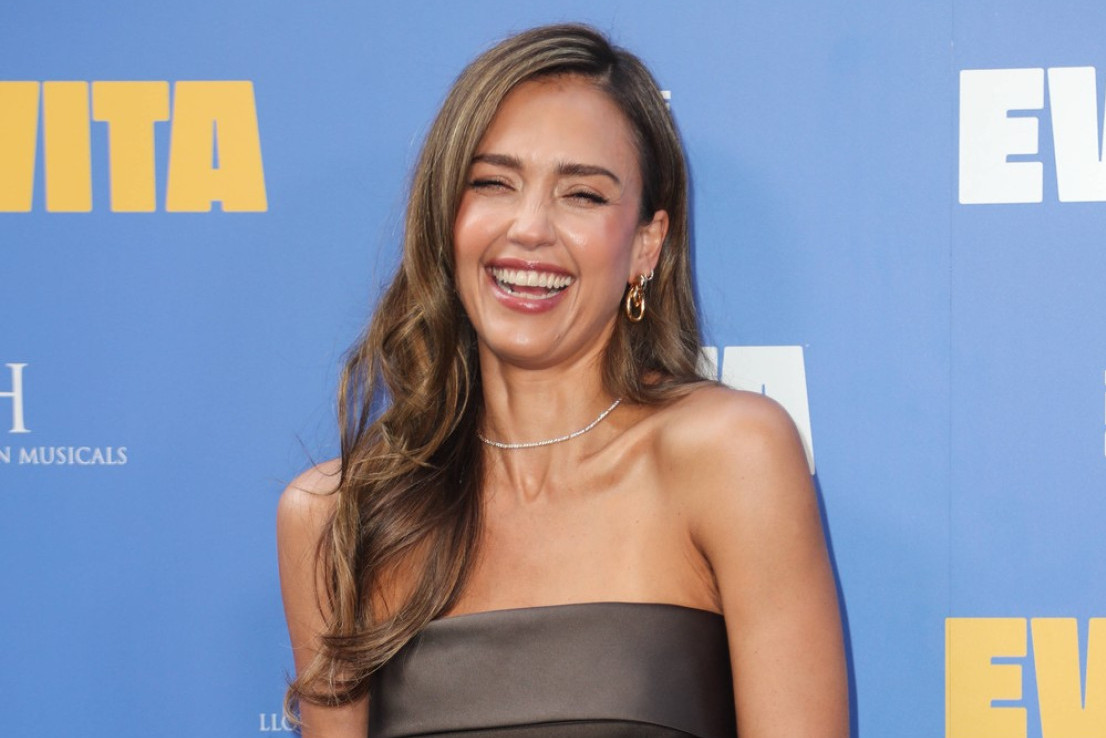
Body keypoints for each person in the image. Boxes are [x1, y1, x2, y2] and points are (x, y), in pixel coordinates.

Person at [278, 23, 847, 738]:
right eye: (493, 183)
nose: (529, 228)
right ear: (445, 218)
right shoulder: (338, 517)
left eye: (582, 195)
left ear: (646, 246)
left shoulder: (731, 456)